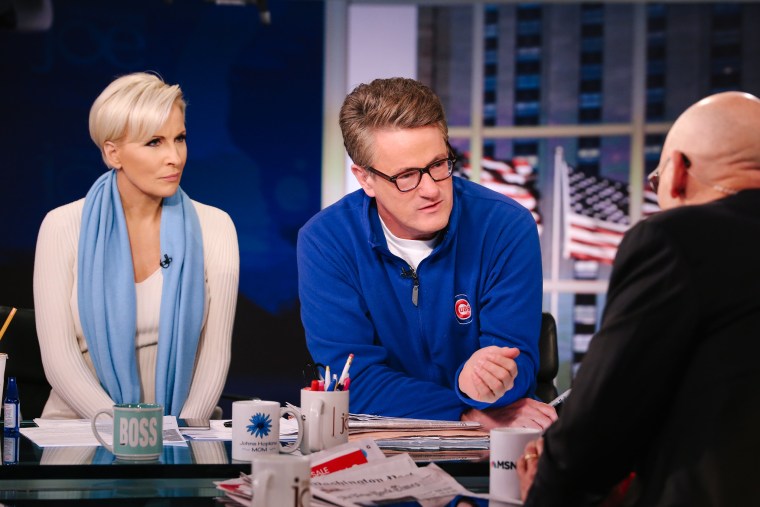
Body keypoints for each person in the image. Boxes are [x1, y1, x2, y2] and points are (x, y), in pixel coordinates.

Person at [517, 91, 760, 505]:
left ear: (679, 171)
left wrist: (544, 492)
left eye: (656, 179)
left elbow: (598, 427)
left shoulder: (680, 237)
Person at [297, 77, 556, 429]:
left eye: (438, 164)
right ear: (366, 179)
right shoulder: (324, 241)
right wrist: (464, 414)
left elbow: (519, 364)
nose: (431, 189)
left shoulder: (506, 226)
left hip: (492, 440)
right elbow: (350, 381)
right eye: (406, 176)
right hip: (392, 438)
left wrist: (486, 381)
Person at [33, 72, 240, 419]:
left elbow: (214, 358)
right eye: (154, 143)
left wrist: (180, 432)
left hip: (183, 429)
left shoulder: (216, 227)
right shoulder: (62, 226)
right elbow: (59, 361)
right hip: (81, 428)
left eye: (180, 138)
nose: (175, 157)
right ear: (113, 153)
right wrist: (131, 433)